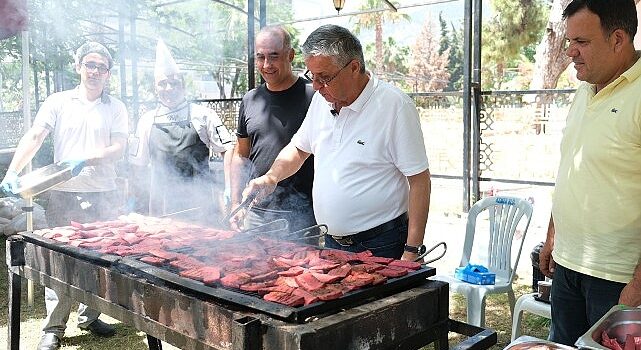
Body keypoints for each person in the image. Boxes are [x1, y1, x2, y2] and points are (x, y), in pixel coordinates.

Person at [239, 24, 431, 260]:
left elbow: (419, 180)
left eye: (325, 77)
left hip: (381, 243)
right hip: (330, 241)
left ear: (353, 67)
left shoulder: (395, 107)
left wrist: (412, 250)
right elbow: (299, 149)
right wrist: (272, 176)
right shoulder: (323, 99)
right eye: (313, 76)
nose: (316, 86)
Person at [0, 42, 128, 350]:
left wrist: (87, 159)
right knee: (59, 261)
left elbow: (118, 148)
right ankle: (53, 328)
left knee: (99, 258)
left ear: (108, 73)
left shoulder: (116, 107)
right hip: (62, 194)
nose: (95, 71)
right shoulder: (59, 101)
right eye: (90, 64)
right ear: (78, 67)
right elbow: (35, 135)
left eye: (102, 67)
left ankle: (91, 315)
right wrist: (12, 171)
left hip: (102, 192)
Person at [538, 0, 641, 345]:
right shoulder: (584, 90)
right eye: (569, 42)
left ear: (618, 39)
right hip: (569, 266)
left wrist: (638, 286)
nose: (570, 52)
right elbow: (572, 167)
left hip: (617, 277)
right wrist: (553, 235)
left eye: (581, 42)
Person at [129, 39, 234, 222]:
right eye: (162, 84)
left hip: (200, 204)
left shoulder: (203, 115)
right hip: (160, 206)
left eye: (174, 83)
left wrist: (229, 186)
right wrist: (133, 198)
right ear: (155, 88)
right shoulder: (146, 120)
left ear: (183, 86)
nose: (168, 88)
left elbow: (229, 149)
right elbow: (138, 166)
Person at [229, 25, 316, 232]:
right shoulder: (250, 99)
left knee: (299, 265)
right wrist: (235, 203)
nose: (266, 64)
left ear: (291, 55)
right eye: (260, 57)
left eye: (274, 56)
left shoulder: (314, 96)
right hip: (256, 210)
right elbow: (241, 155)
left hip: (302, 213)